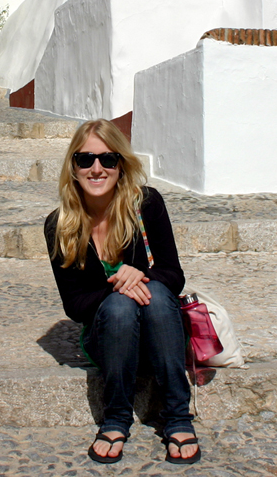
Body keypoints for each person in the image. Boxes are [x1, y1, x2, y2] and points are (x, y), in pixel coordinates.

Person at [44, 119, 200, 465]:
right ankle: (116, 417)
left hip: (160, 330)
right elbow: (75, 305)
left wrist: (139, 274)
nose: (96, 168)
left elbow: (174, 275)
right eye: (85, 160)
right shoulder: (60, 225)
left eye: (107, 159)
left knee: (158, 294)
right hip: (108, 335)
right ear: (73, 167)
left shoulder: (146, 205)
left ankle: (177, 415)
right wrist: (118, 287)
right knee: (119, 308)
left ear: (121, 165)